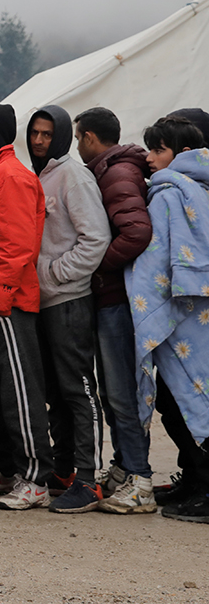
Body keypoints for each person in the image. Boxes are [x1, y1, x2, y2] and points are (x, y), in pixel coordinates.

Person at [0, 103, 54, 511]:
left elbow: (17, 245)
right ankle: (17, 469)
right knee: (7, 388)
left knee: (21, 389)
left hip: (9, 302)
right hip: (0, 301)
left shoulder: (10, 177)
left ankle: (36, 478)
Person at [120, 117, 209, 522]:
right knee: (183, 401)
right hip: (197, 316)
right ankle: (193, 480)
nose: (150, 158)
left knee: (185, 402)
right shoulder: (199, 188)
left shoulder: (170, 193)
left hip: (180, 313)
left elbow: (154, 261)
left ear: (182, 153)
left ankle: (205, 489)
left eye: (158, 150)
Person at [26, 105, 110, 513]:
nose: (39, 140)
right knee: (55, 392)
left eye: (47, 134)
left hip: (70, 301)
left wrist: (55, 274)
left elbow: (96, 238)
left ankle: (89, 480)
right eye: (34, 133)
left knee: (79, 390)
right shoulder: (40, 176)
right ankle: (63, 471)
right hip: (44, 302)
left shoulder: (73, 176)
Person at [74, 106, 155, 508]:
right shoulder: (110, 170)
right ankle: (124, 469)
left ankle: (139, 481)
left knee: (122, 393)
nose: (77, 145)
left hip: (117, 300)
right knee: (112, 391)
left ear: (90, 137)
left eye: (78, 138)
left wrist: (98, 264)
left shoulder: (117, 173)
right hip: (112, 298)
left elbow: (137, 232)